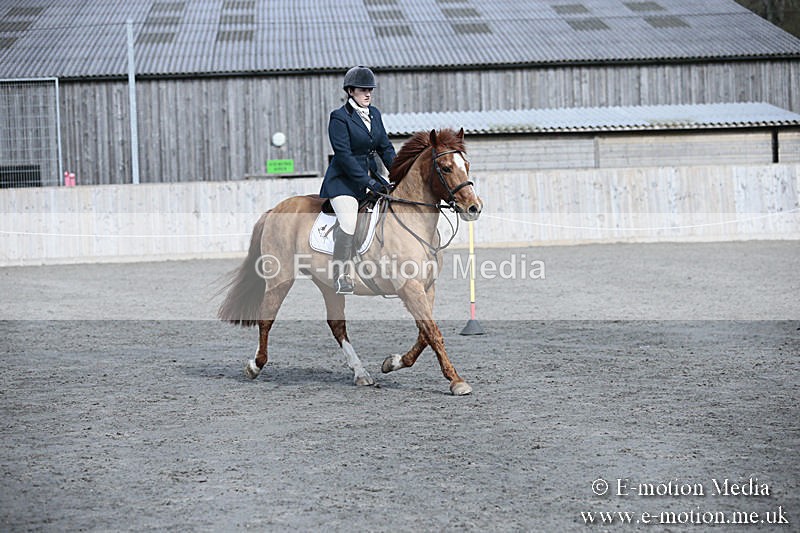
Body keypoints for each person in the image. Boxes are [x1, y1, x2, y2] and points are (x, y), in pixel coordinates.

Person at [320, 66, 396, 294]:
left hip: (371, 178)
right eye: (363, 90)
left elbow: (385, 148)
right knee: (349, 221)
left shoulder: (375, 114)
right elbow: (343, 156)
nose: (368, 94)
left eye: (370, 90)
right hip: (343, 182)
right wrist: (367, 182)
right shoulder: (339, 118)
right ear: (351, 91)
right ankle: (341, 275)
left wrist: (400, 173)